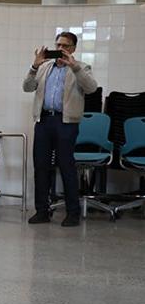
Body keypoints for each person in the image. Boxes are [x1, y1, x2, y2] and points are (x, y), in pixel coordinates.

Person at [23, 32, 99, 227]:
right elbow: (27, 87)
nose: (61, 49)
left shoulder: (81, 67)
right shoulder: (44, 67)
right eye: (58, 45)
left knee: (66, 166)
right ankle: (42, 211)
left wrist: (74, 67)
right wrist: (34, 66)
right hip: (44, 120)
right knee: (40, 166)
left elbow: (91, 88)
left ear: (73, 49)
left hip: (66, 123)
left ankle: (72, 213)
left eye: (65, 46)